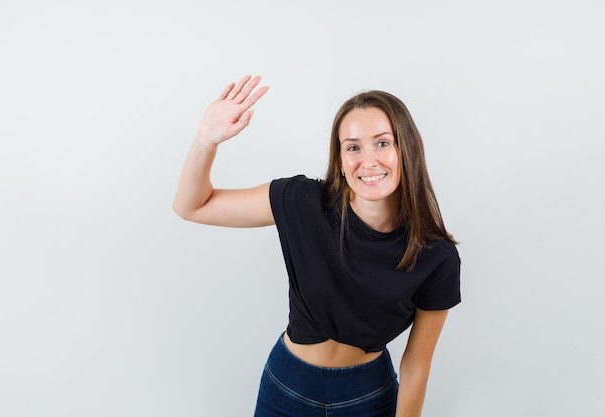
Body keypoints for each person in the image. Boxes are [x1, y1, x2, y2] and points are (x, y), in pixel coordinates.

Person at [173, 75, 461, 417]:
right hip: (286, 388)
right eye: (353, 147)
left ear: (406, 150)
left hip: (368, 398)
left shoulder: (436, 256)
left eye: (383, 143)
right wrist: (206, 140)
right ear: (340, 160)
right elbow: (192, 206)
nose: (368, 161)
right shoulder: (302, 201)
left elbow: (416, 365)